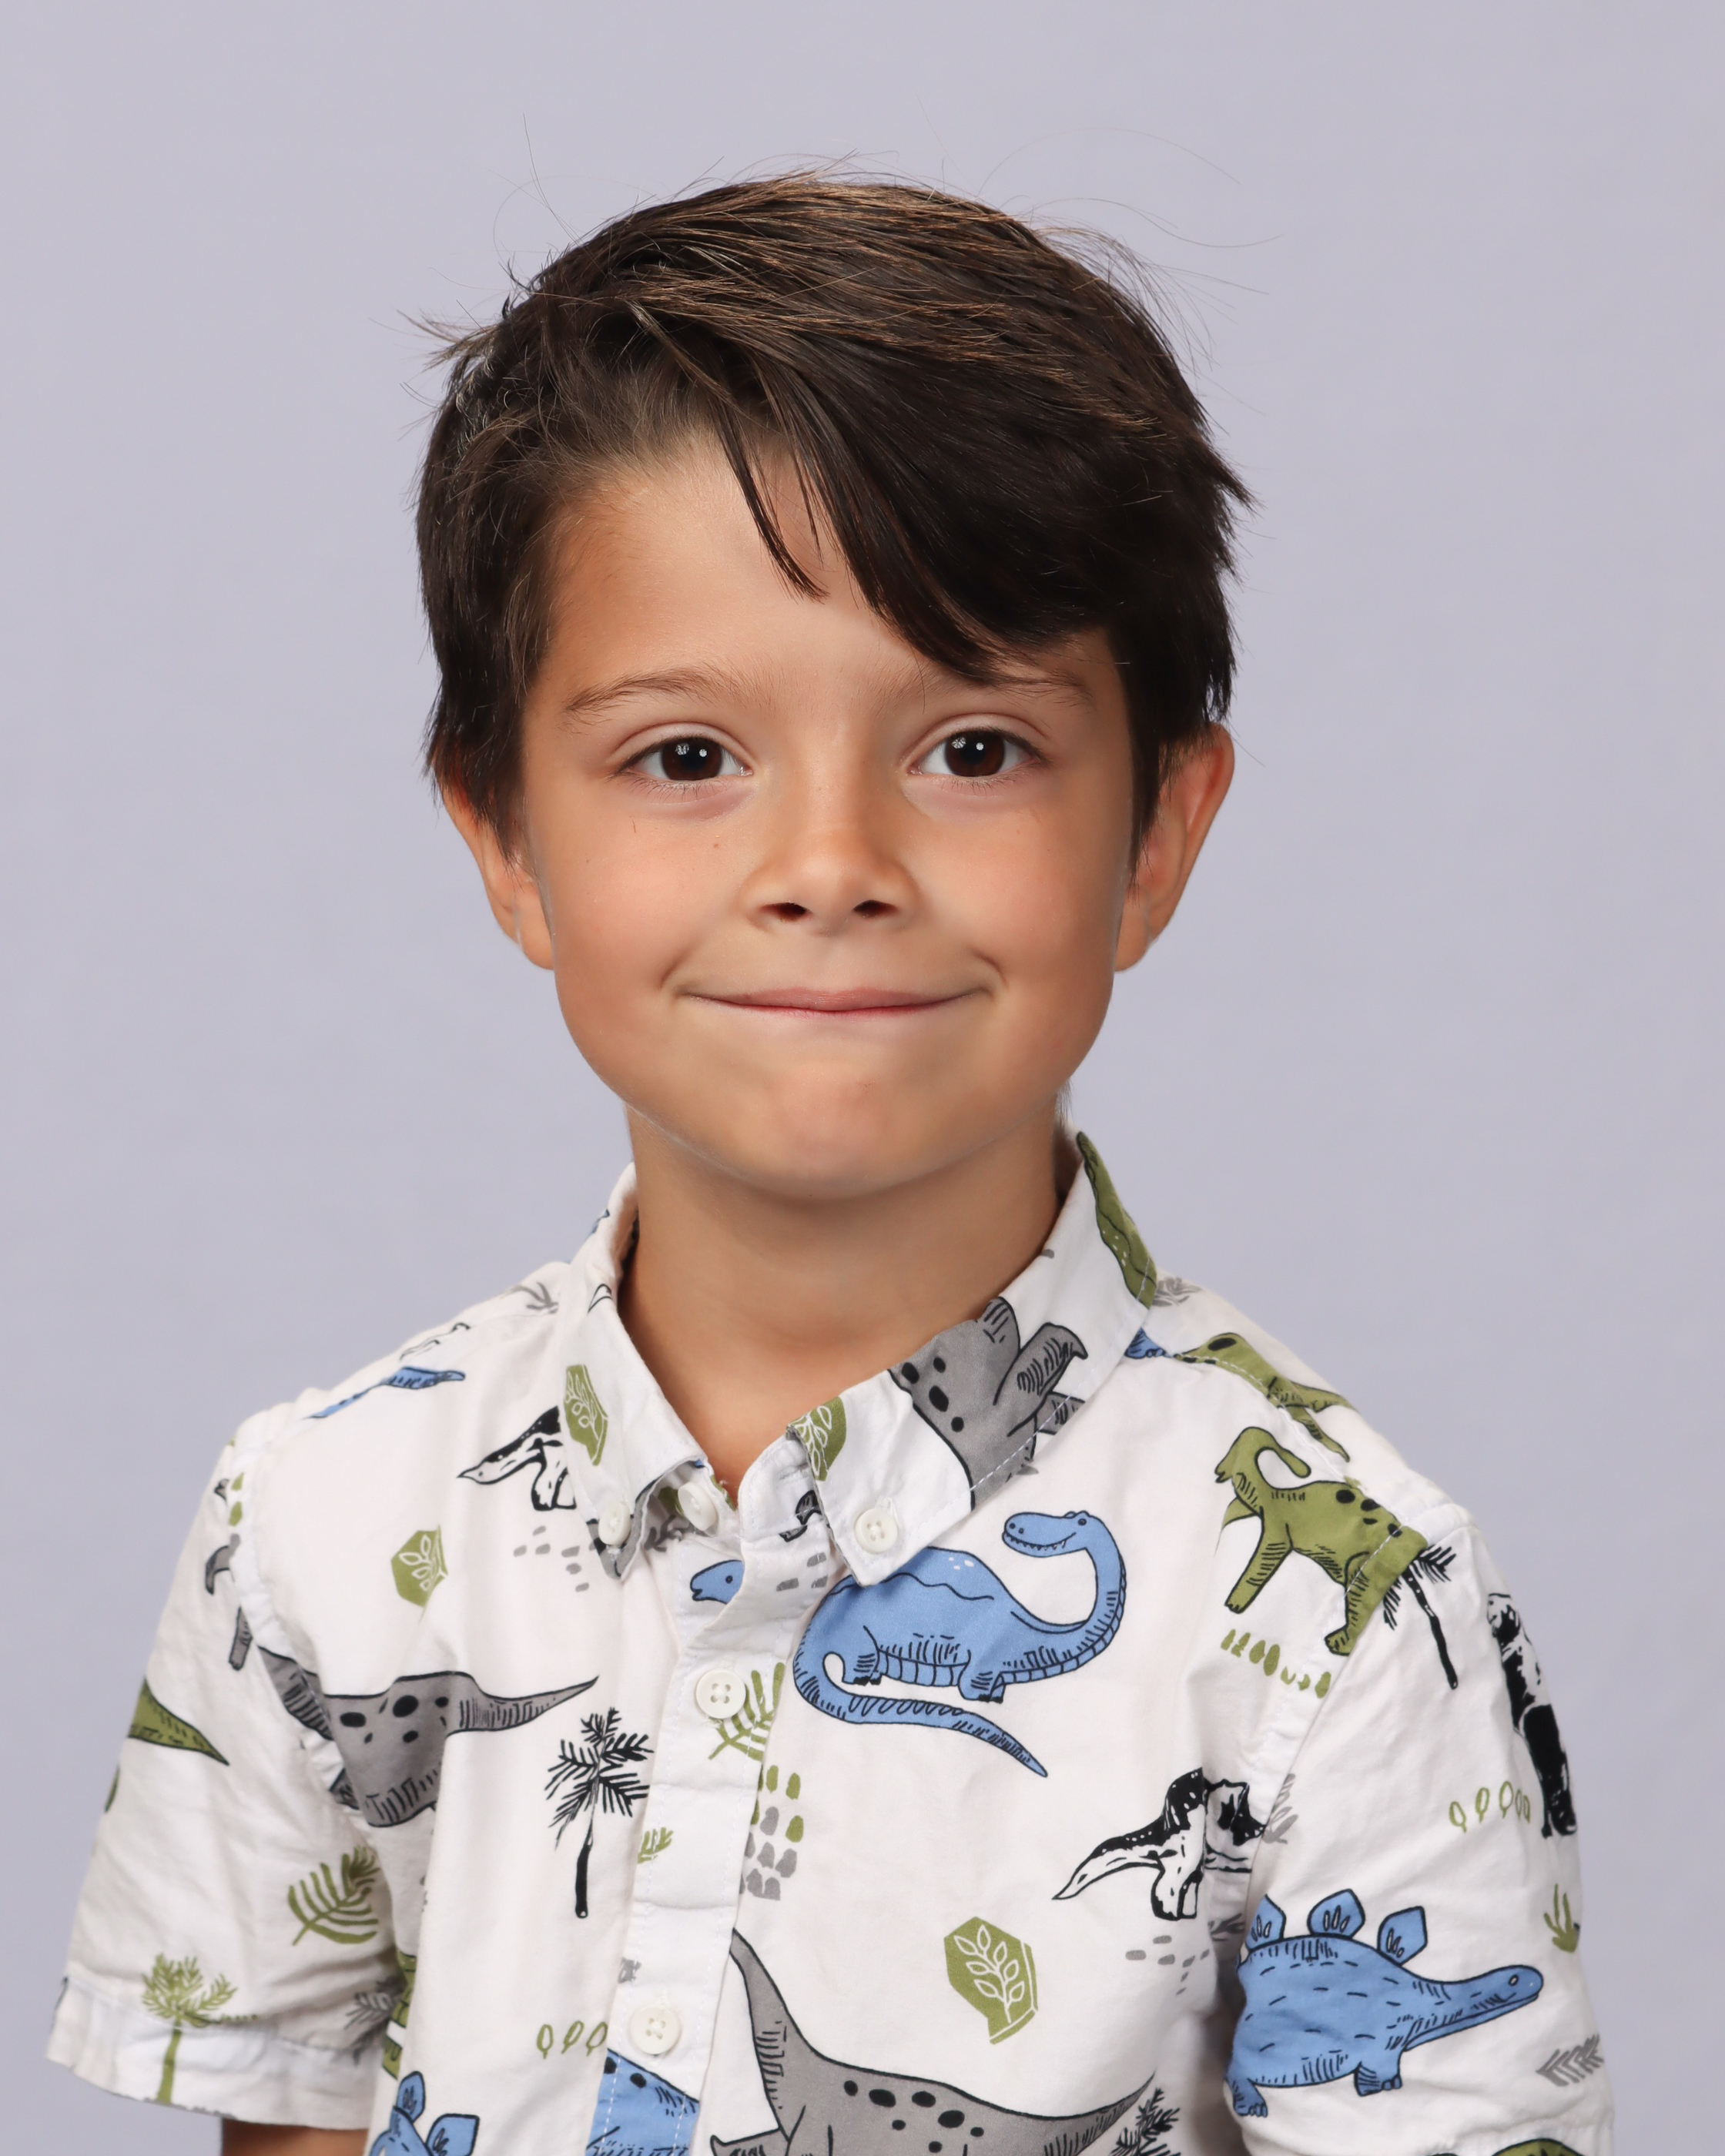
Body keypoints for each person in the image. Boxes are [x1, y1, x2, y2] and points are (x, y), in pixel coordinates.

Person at [50, 178, 1610, 2156]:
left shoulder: (1353, 1604)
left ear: (1155, 833)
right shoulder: (315, 1519)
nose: (829, 866)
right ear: (505, 837)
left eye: (971, 748)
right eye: (686, 757)